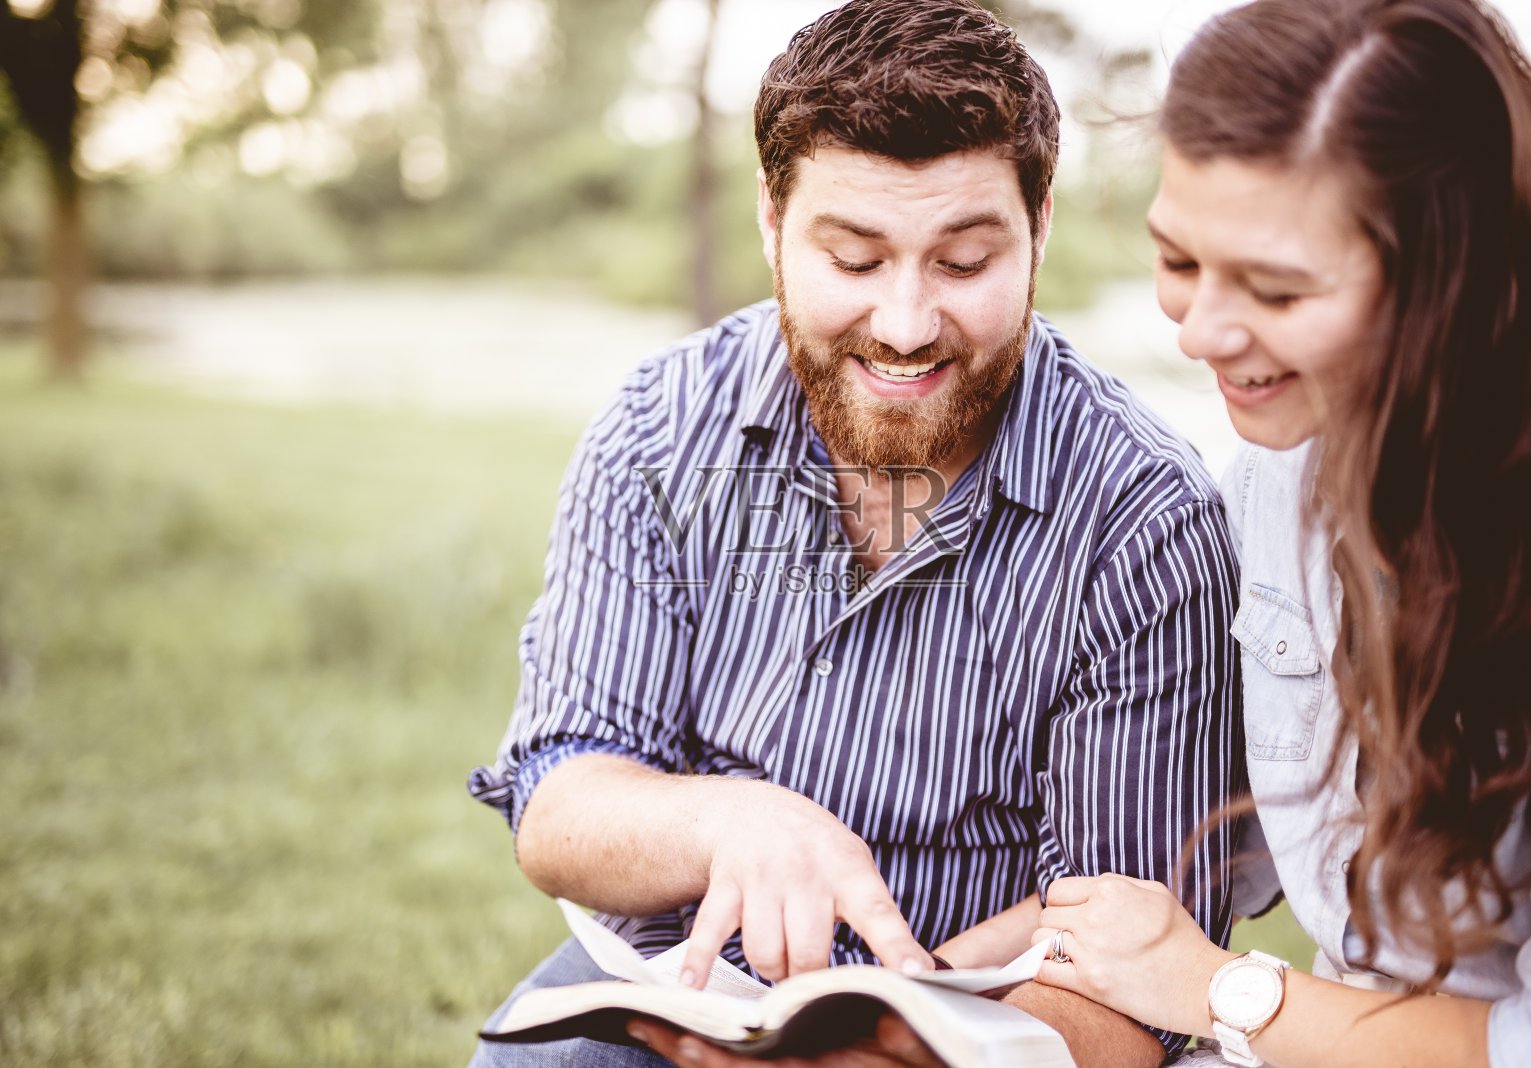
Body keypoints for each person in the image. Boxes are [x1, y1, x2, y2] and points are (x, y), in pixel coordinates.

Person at [465, 1, 1243, 1065]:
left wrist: (893, 1040)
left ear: (1040, 226)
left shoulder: (1146, 521)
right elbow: (559, 801)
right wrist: (732, 820)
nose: (907, 324)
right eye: (856, 259)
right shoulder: (659, 428)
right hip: (676, 998)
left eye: (964, 263)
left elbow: (1140, 971)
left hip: (996, 1031)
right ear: (771, 221)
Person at [1027, 0, 1531, 1065]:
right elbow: (1195, 859)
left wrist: (1221, 988)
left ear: (1449, 281)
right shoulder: (1273, 480)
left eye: (1277, 290)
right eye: (1179, 262)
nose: (1201, 332)